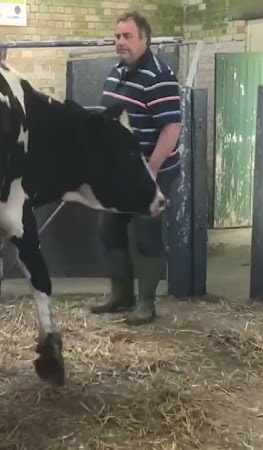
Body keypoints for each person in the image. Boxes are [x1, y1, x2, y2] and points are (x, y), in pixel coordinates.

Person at [89, 11, 183, 325]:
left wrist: (151, 171)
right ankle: (121, 295)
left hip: (150, 172)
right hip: (121, 173)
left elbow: (171, 129)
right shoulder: (117, 72)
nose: (120, 42)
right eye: (117, 36)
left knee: (145, 235)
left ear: (145, 39)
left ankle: (145, 303)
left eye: (127, 36)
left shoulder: (159, 75)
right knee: (109, 228)